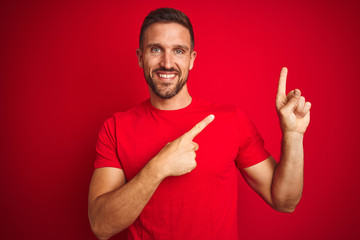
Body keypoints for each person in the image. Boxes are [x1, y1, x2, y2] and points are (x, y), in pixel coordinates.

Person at [88, 7, 311, 240]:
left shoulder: (232, 121)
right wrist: (158, 168)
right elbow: (101, 226)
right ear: (140, 57)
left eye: (178, 51)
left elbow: (285, 201)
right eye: (156, 49)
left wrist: (293, 135)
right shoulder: (115, 128)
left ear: (192, 59)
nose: (167, 62)